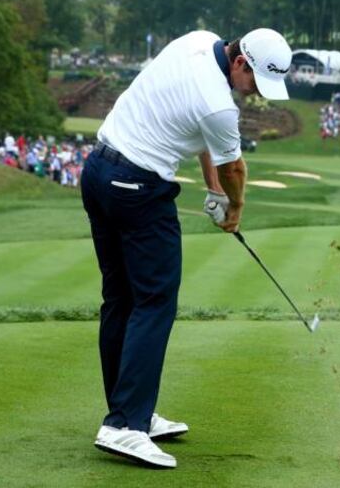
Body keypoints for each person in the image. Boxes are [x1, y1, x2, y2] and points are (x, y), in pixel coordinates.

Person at [82, 28, 291, 469]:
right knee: (155, 302)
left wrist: (211, 190)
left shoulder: (198, 40)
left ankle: (129, 411)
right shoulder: (220, 105)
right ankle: (124, 425)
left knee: (121, 298)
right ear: (240, 63)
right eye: (256, 82)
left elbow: (204, 144)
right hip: (138, 186)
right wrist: (233, 207)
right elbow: (233, 166)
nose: (256, 95)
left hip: (99, 170)